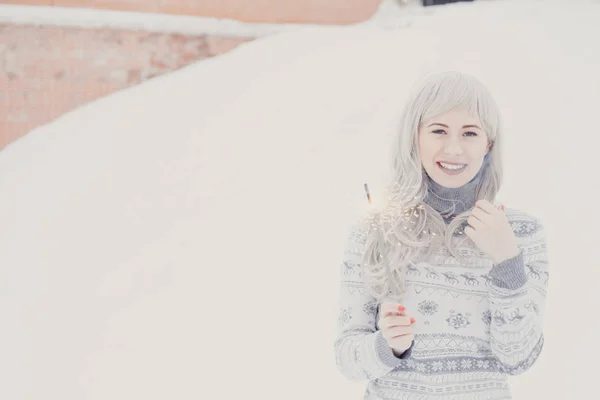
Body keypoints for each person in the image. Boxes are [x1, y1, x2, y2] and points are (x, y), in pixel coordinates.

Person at [334, 71, 549, 399]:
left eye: (469, 133)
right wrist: (387, 346)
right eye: (438, 130)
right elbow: (347, 359)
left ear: (488, 145)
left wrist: (506, 261)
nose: (454, 148)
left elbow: (518, 358)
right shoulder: (376, 229)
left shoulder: (519, 233)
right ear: (415, 137)